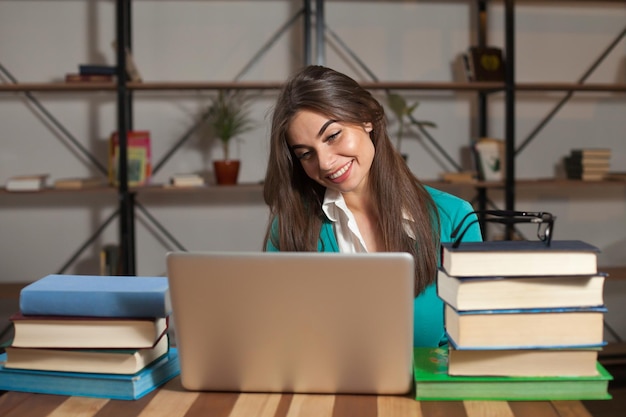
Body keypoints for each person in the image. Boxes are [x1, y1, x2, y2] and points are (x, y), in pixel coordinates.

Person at [263, 65, 482, 347]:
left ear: (366, 119)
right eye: (306, 154)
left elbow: (473, 343)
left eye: (332, 136)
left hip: (421, 390)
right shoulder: (291, 225)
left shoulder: (454, 218)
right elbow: (277, 338)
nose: (326, 163)